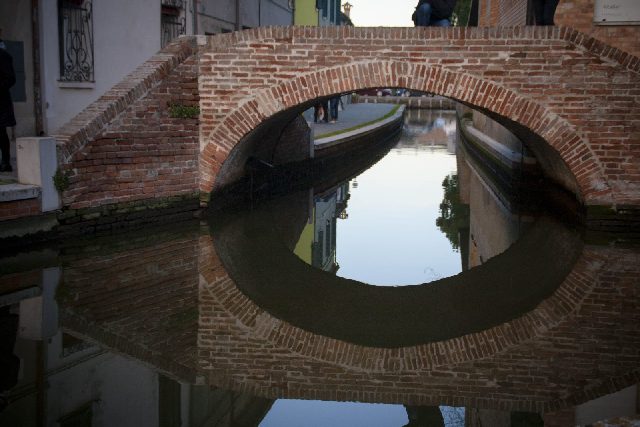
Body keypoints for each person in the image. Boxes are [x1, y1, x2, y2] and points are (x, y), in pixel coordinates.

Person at [0, 37, 16, 172]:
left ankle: (6, 162)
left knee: (0, 132)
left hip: (1, 101)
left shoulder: (3, 56)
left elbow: (11, 78)